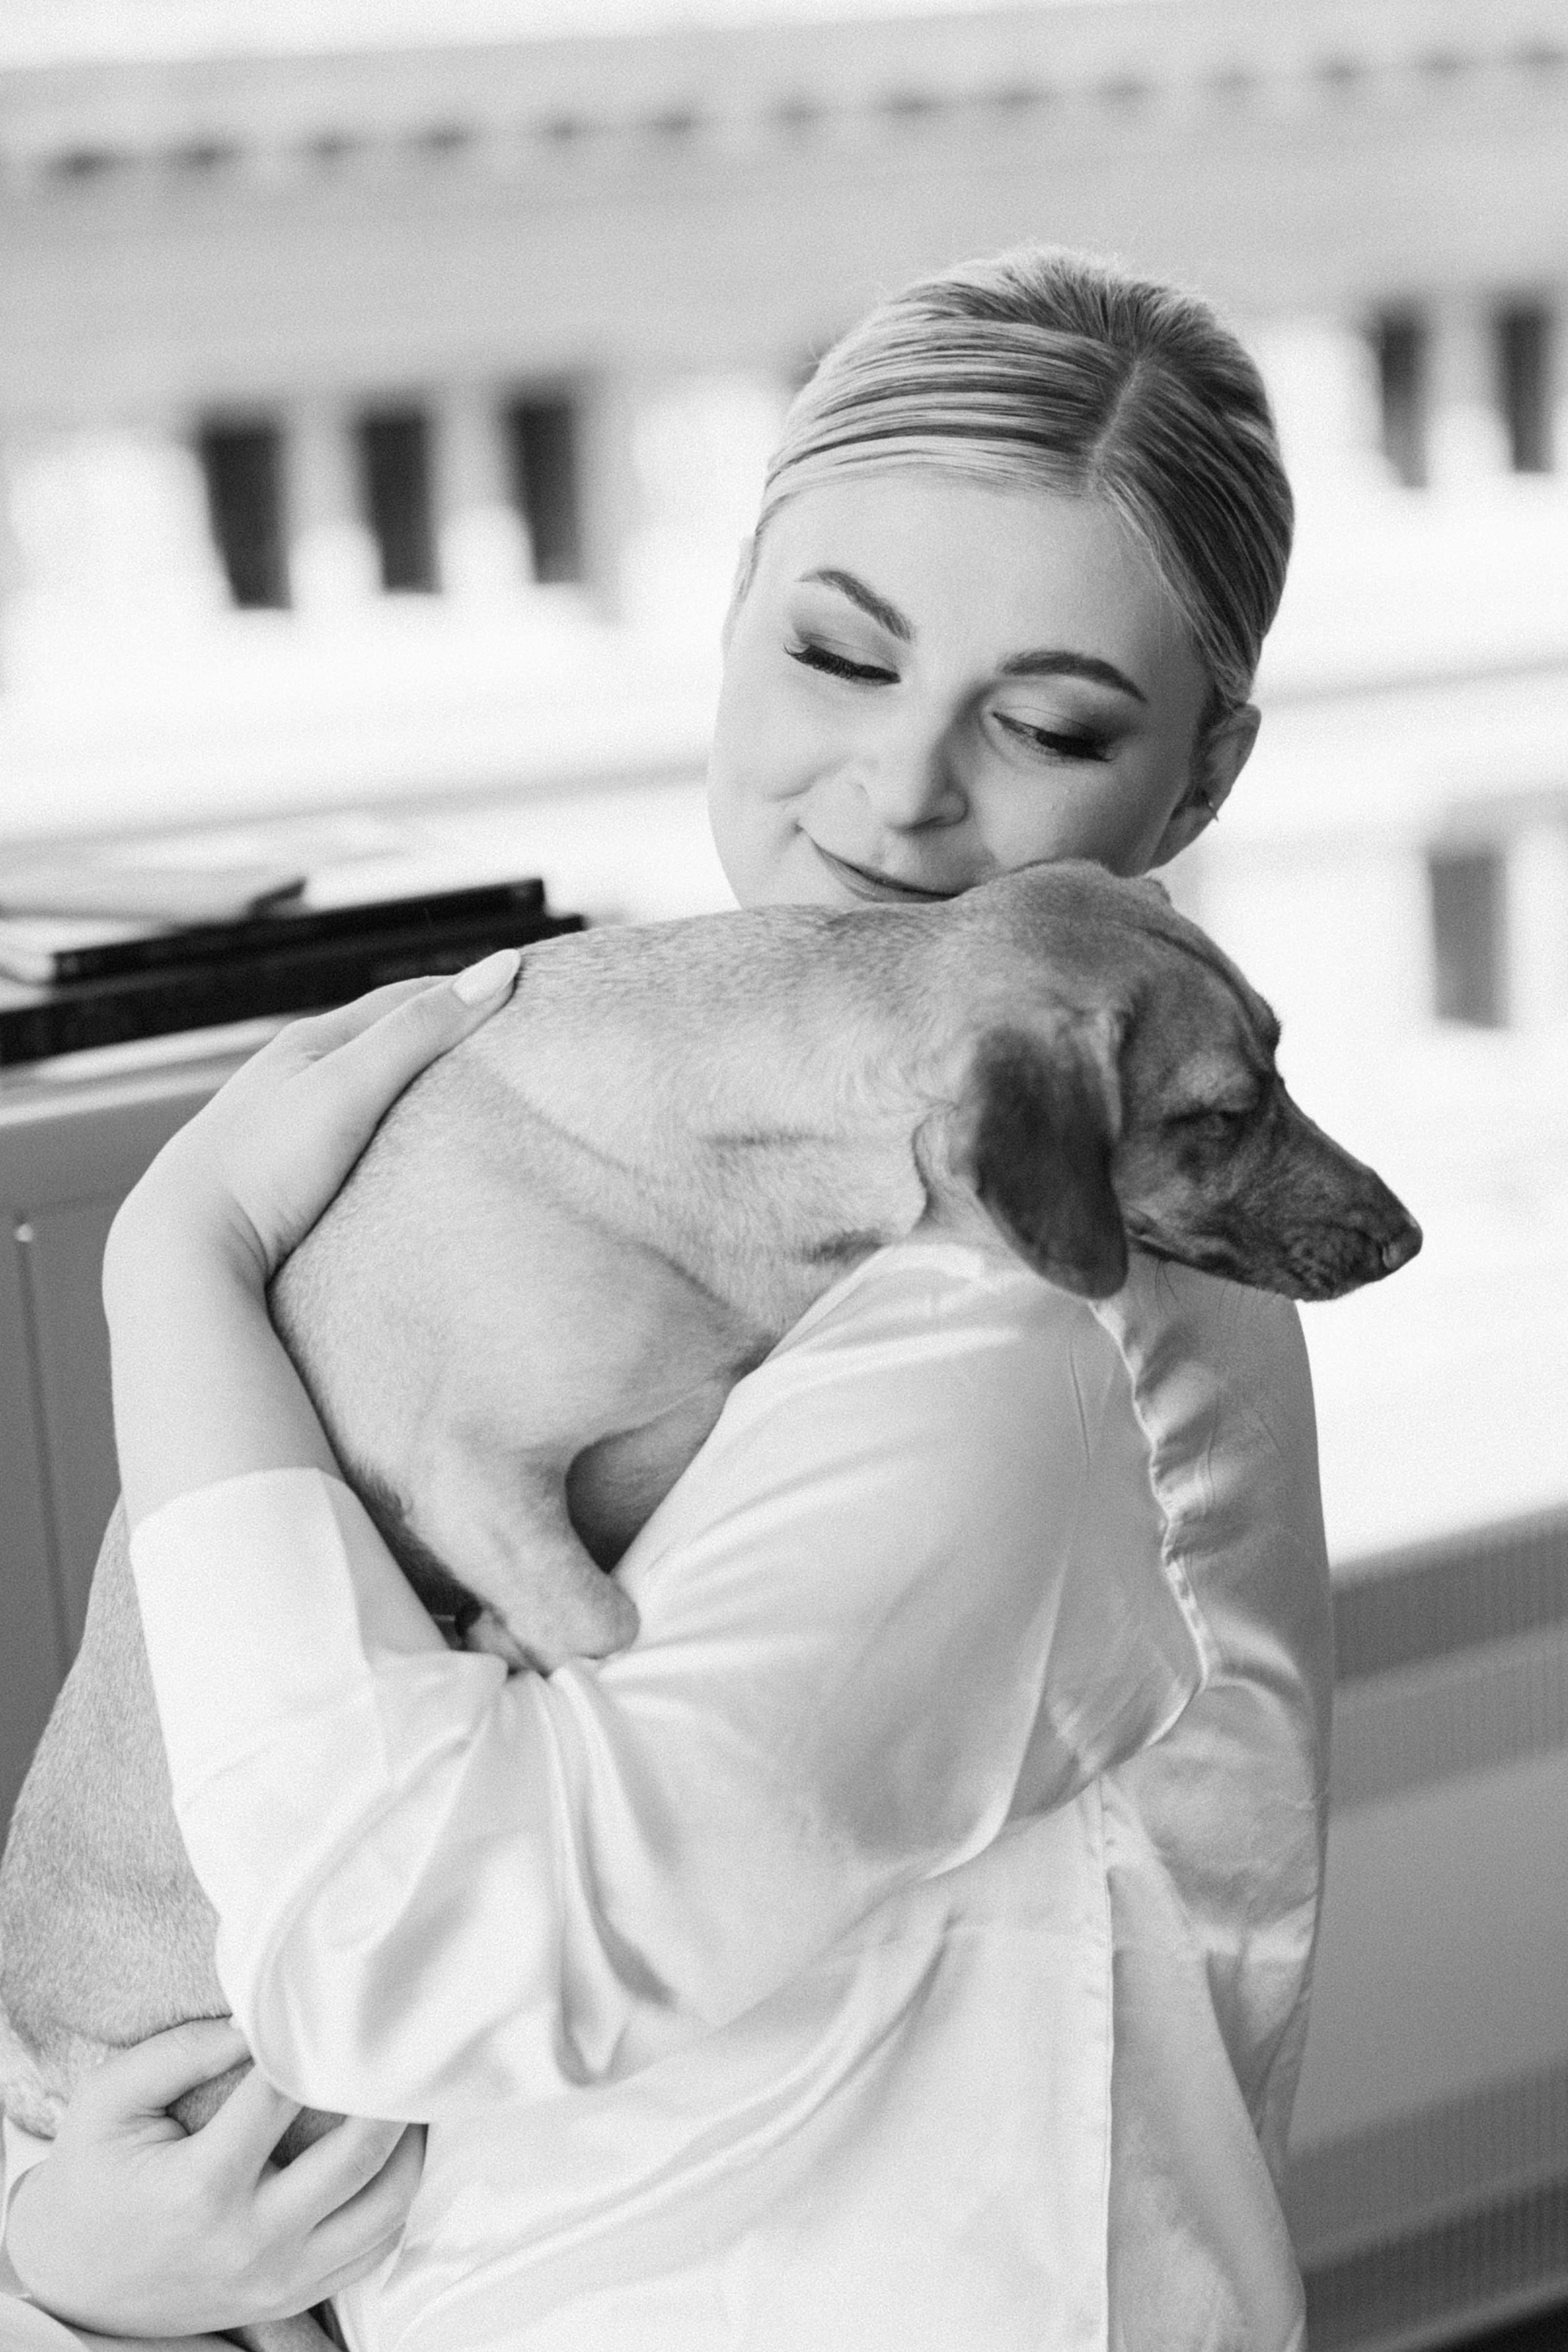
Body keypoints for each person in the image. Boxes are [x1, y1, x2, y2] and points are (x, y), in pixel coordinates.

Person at [2, 247, 1330, 2351]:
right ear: (726, 630)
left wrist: (179, 1280)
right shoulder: (652, 1150)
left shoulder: (1017, 1321)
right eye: (834, 653)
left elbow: (405, 1958)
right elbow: (181, 1812)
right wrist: (59, 2262)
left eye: (1053, 720)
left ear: (1200, 779)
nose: (904, 791)